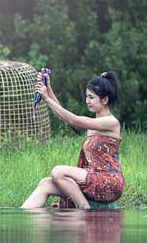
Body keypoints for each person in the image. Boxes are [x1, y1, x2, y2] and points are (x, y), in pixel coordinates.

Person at [21, 71, 124, 209]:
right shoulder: (93, 123)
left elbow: (73, 119)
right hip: (92, 176)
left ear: (105, 100)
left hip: (108, 180)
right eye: (87, 96)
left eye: (91, 97)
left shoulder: (111, 122)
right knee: (45, 183)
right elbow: (67, 117)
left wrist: (46, 98)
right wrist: (49, 88)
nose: (87, 101)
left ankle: (84, 207)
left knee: (58, 171)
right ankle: (24, 219)